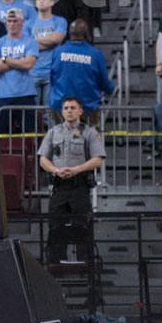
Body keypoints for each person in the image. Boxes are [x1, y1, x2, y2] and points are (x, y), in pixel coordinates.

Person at [39, 96, 104, 264]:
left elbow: (97, 159)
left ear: (80, 111)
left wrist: (76, 170)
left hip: (79, 187)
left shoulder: (89, 132)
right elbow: (42, 159)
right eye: (66, 108)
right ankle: (55, 265)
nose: (69, 111)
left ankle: (85, 267)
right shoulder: (53, 132)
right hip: (59, 187)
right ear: (62, 111)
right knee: (55, 226)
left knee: (82, 225)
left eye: (73, 108)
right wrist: (56, 170)